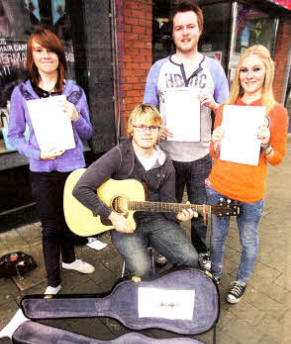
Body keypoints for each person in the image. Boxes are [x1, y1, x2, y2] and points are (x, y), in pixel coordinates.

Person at [143, 0, 229, 271]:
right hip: (167, 155)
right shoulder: (158, 68)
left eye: (190, 26)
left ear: (199, 29)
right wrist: (156, 126)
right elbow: (146, 111)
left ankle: (200, 250)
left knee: (200, 208)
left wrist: (216, 109)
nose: (185, 32)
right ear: (173, 32)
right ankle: (167, 247)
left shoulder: (214, 68)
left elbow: (227, 111)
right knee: (167, 207)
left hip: (202, 155)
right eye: (179, 27)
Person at [8, 28, 95, 295]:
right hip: (42, 170)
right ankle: (53, 280)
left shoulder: (74, 92)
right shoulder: (22, 93)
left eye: (50, 50)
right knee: (49, 227)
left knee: (70, 220)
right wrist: (36, 153)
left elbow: (88, 133)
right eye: (39, 50)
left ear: (59, 55)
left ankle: (70, 260)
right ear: (31, 57)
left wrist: (76, 118)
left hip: (72, 169)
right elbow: (13, 135)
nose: (46, 55)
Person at [73, 104, 199, 278]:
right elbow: (81, 188)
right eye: (141, 126)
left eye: (153, 127)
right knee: (142, 270)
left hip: (156, 219)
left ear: (159, 131)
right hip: (123, 222)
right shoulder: (119, 155)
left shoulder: (165, 162)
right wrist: (112, 215)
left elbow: (167, 204)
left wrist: (178, 215)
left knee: (190, 258)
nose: (147, 132)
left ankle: (166, 288)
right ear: (132, 129)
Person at [206, 44, 288, 304]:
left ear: (267, 72)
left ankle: (240, 281)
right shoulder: (226, 108)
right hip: (221, 188)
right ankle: (215, 275)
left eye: (256, 69)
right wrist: (216, 141)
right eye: (244, 70)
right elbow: (214, 152)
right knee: (217, 238)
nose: (249, 75)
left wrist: (265, 145)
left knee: (248, 239)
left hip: (250, 195)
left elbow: (277, 159)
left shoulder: (276, 112)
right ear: (237, 74)